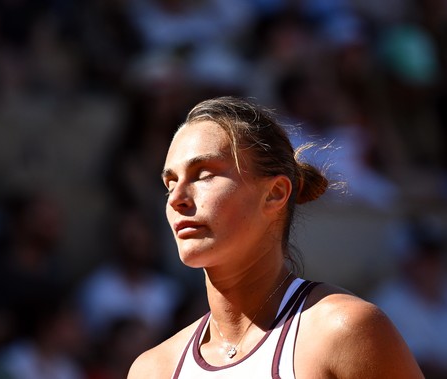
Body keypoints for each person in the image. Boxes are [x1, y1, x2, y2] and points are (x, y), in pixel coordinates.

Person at [127, 96, 423, 378]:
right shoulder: (153, 370)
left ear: (275, 193)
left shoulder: (344, 331)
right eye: (170, 182)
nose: (177, 198)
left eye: (204, 174)